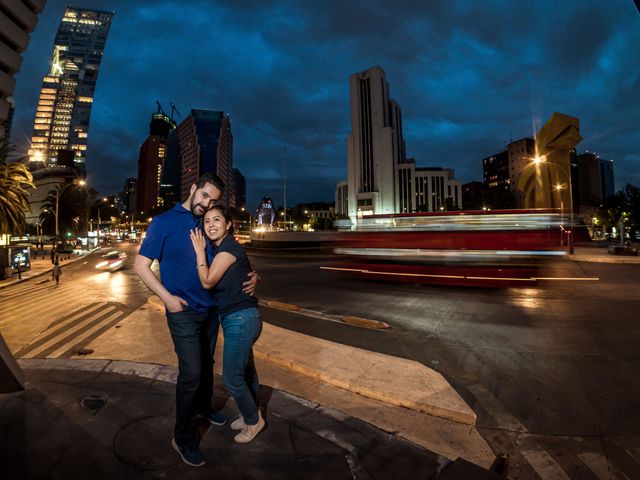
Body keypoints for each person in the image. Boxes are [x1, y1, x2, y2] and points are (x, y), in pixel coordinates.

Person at [134, 172, 258, 468]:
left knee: (207, 366)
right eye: (204, 196)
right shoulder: (164, 222)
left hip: (212, 309)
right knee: (190, 373)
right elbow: (141, 267)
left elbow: (230, 256)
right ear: (193, 189)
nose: (207, 204)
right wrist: (167, 298)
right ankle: (183, 437)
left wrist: (254, 276)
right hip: (183, 312)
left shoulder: (209, 223)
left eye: (214, 201)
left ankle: (204, 408)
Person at [190, 205, 265, 444]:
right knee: (247, 371)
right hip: (241, 316)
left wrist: (199, 251)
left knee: (232, 377)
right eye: (206, 221)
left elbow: (208, 281)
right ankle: (251, 412)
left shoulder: (227, 248)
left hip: (241, 318)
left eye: (217, 220)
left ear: (228, 224)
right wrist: (257, 276)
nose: (210, 224)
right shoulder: (224, 248)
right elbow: (248, 272)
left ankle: (254, 421)